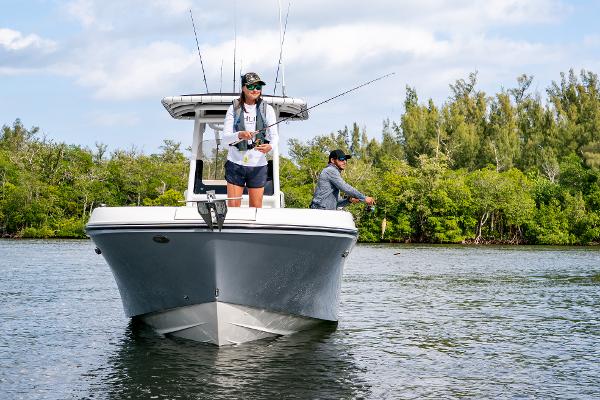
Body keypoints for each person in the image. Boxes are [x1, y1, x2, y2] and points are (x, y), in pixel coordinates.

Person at [222, 72, 278, 207]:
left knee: (256, 209)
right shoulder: (233, 108)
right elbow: (225, 139)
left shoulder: (268, 109)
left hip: (258, 165)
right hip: (236, 164)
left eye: (258, 87)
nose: (255, 90)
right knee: (234, 207)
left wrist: (270, 147)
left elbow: (274, 137)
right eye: (251, 86)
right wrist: (240, 134)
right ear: (243, 88)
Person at [310, 149, 375, 210]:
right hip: (320, 209)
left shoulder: (333, 173)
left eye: (345, 159)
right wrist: (364, 198)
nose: (344, 162)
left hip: (324, 209)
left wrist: (349, 200)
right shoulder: (330, 170)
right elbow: (345, 187)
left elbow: (337, 203)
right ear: (332, 160)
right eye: (341, 159)